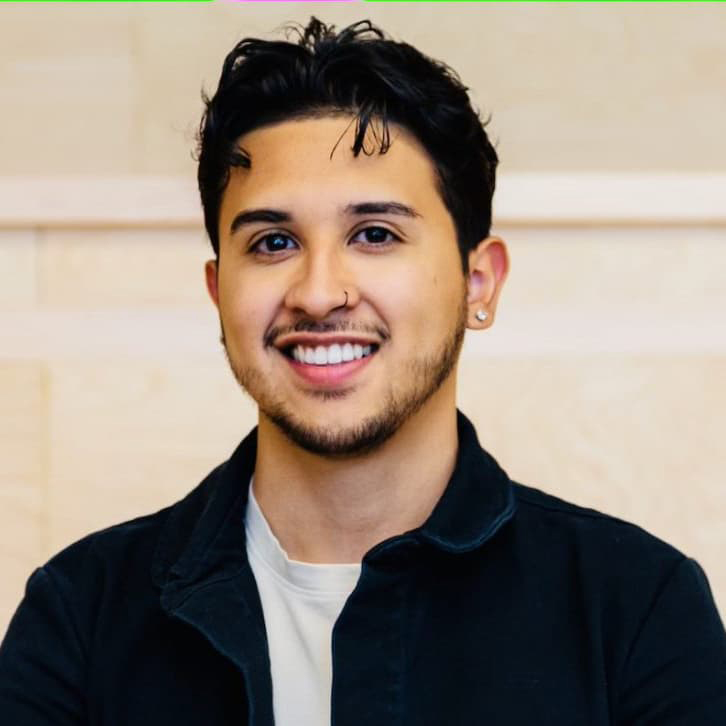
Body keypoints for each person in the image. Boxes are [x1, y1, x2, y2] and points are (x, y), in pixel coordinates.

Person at [1, 16, 725, 725]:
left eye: (375, 235)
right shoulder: (80, 614)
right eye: (274, 241)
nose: (319, 292)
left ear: (479, 283)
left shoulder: (635, 608)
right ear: (219, 293)